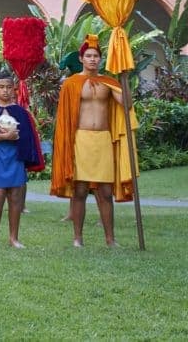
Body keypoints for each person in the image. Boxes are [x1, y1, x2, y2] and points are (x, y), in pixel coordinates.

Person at [50, 34, 138, 247]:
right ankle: (78, 238)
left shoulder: (109, 83)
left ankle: (110, 239)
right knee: (80, 190)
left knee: (105, 191)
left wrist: (124, 78)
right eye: (88, 56)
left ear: (100, 59)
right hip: (81, 139)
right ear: (81, 59)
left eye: (95, 56)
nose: (92, 59)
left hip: (103, 139)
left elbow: (126, 105)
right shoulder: (71, 84)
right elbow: (64, 117)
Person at [0, 69, 41, 248]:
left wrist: (18, 136)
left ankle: (14, 238)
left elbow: (27, 137)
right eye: (1, 87)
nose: (5, 90)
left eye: (9, 87)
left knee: (15, 196)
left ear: (14, 89)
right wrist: (4, 136)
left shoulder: (20, 112)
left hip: (15, 156)